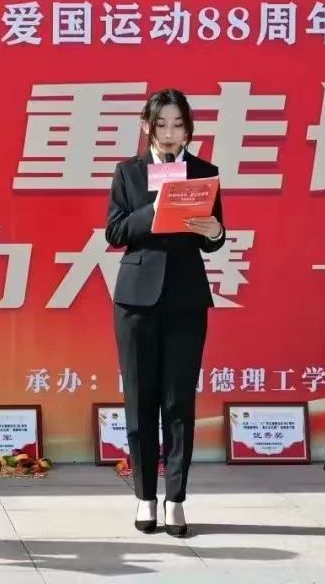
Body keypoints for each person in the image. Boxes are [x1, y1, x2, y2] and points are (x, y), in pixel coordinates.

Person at [105, 88, 225, 537]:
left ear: (188, 129)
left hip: (185, 299)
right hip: (136, 300)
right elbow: (115, 230)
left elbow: (213, 240)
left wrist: (215, 231)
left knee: (178, 403)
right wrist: (153, 209)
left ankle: (176, 499)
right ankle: (144, 497)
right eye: (161, 124)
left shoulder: (204, 172)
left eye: (178, 125)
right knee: (140, 402)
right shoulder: (129, 172)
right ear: (147, 126)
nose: (170, 133)